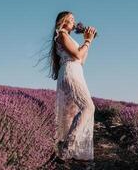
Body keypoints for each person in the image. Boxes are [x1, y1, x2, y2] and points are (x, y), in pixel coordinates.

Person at [49, 10, 97, 164]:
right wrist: (87, 41)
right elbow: (77, 55)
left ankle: (64, 151)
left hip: (74, 71)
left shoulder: (67, 37)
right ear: (62, 21)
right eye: (70, 19)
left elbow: (81, 60)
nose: (74, 22)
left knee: (71, 113)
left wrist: (87, 41)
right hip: (71, 73)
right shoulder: (61, 33)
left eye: (74, 19)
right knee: (88, 107)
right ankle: (66, 148)